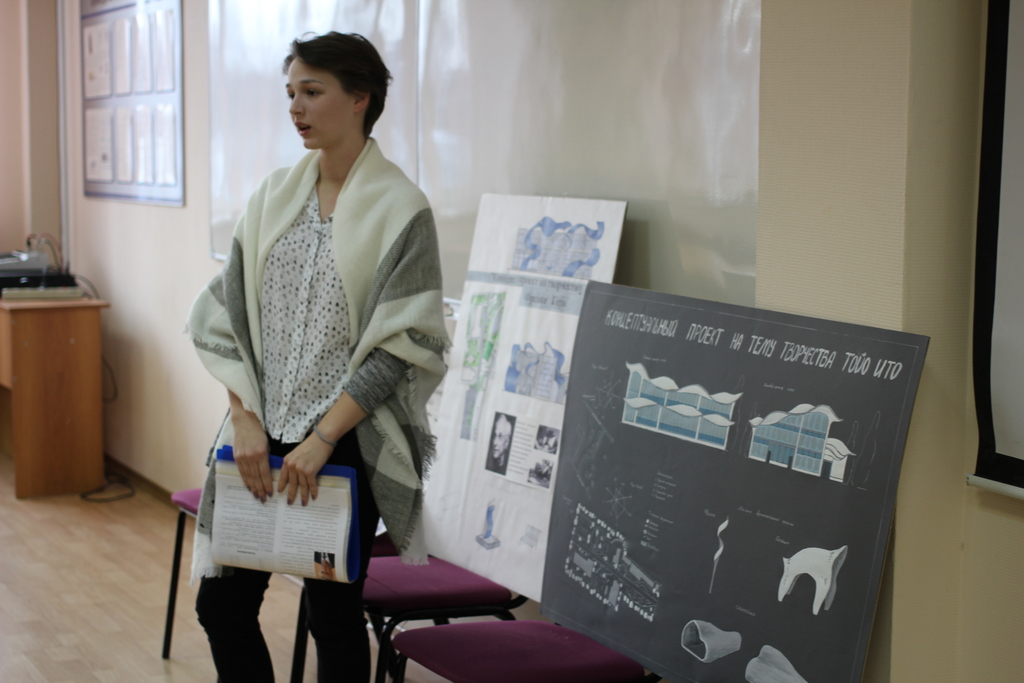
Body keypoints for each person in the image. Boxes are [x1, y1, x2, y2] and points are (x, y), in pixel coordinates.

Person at [187, 32, 447, 683]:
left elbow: (401, 346)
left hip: (346, 441)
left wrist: (322, 439)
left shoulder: (401, 210)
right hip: (258, 434)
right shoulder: (272, 198)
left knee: (332, 618)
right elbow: (230, 319)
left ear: (360, 98)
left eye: (312, 92)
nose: (296, 108)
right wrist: (244, 418)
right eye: (291, 93)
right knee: (221, 604)